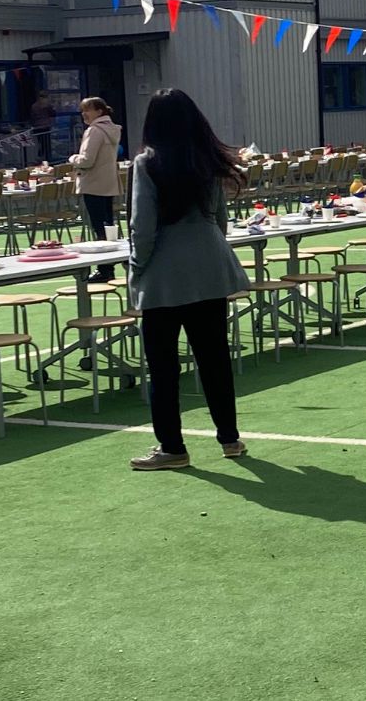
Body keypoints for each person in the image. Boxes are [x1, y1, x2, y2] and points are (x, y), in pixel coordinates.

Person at [125, 88, 249, 471]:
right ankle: (229, 437)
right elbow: (220, 218)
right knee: (214, 359)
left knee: (163, 367)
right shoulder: (207, 159)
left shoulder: (146, 164)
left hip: (164, 272)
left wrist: (136, 269)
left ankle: (172, 446)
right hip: (209, 264)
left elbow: (142, 226)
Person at [70, 96, 123, 273]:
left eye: (87, 110)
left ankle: (104, 269)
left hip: (93, 184)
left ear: (99, 111)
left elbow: (87, 160)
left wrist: (73, 158)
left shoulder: (94, 131)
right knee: (108, 227)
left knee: (98, 228)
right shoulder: (113, 129)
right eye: (82, 110)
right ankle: (109, 265)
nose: (84, 114)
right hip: (108, 183)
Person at [29, 90, 56, 163]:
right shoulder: (47, 105)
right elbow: (53, 114)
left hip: (37, 127)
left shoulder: (34, 106)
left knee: (41, 143)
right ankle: (45, 159)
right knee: (46, 144)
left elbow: (32, 117)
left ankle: (41, 157)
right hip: (45, 126)